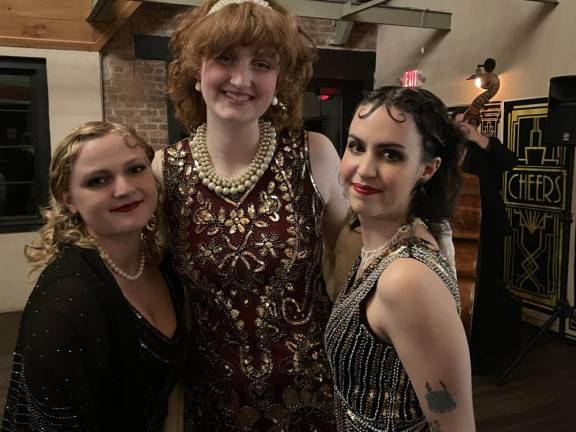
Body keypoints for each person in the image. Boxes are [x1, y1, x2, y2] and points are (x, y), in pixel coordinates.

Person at [154, 0, 349, 429]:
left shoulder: (315, 154)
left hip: (312, 400)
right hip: (211, 403)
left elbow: (355, 268)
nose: (242, 79)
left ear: (279, 79)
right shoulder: (163, 170)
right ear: (196, 68)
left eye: (261, 63)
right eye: (226, 58)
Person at [1, 121, 188, 432]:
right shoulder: (67, 299)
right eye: (98, 180)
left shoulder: (160, 264)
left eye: (135, 169)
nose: (125, 188)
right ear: (68, 199)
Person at [325, 87, 475, 431]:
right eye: (356, 146)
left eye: (390, 155)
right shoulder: (385, 244)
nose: (365, 169)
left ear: (427, 168)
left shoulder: (406, 278)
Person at [454, 110, 519, 370]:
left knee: (486, 289)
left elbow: (510, 161)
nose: (464, 126)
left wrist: (479, 138)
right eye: (459, 122)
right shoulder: (447, 151)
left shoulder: (486, 148)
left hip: (487, 227)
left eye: (468, 122)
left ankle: (481, 353)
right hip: (457, 229)